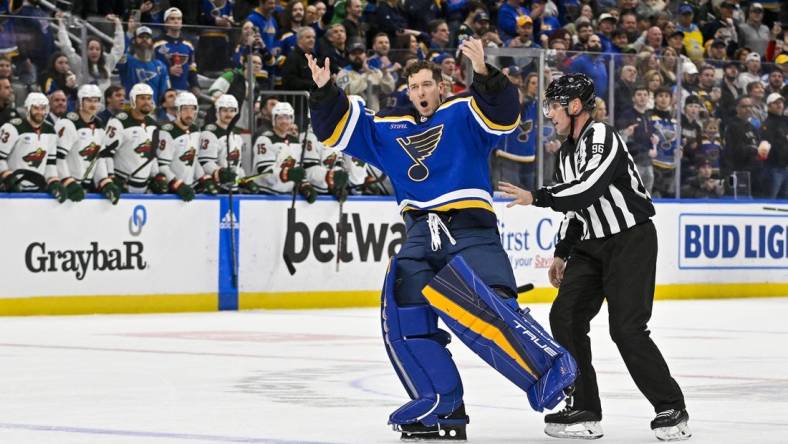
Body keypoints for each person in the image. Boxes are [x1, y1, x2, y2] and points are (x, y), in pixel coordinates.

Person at [306, 38, 576, 440]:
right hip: (419, 232)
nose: (421, 93)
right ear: (407, 91)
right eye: (414, 87)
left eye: (427, 85)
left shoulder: (463, 112)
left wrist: (484, 71)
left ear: (442, 85)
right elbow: (336, 131)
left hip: (470, 227)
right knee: (403, 312)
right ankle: (439, 402)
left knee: (489, 303)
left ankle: (554, 370)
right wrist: (324, 91)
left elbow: (504, 115)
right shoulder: (385, 129)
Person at [499, 73, 690, 441]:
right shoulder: (567, 150)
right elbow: (576, 210)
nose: (549, 113)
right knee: (565, 316)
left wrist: (536, 197)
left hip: (630, 240)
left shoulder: (601, 136)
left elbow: (588, 188)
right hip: (590, 246)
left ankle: (671, 407)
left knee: (626, 329)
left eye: (554, 106)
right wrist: (561, 253)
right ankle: (585, 407)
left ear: (574, 106)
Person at [0, 93, 65, 200]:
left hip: (39, 191)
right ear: (27, 108)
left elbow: (50, 162)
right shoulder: (11, 127)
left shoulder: (50, 130)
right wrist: (8, 177)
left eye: (43, 108)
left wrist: (54, 181)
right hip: (11, 191)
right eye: (36, 108)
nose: (40, 112)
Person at [102, 83, 160, 194]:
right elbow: (106, 153)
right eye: (142, 98)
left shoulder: (153, 125)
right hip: (122, 185)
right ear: (133, 100)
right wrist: (110, 177)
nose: (147, 102)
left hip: (145, 188)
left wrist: (156, 176)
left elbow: (152, 155)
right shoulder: (119, 121)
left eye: (149, 98)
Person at [199, 94, 258, 194]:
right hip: (214, 190)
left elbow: (237, 166)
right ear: (218, 111)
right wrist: (221, 173)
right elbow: (205, 162)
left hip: (233, 190)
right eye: (225, 110)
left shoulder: (237, 137)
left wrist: (246, 180)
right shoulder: (210, 132)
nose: (229, 114)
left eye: (232, 110)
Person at [152, 92, 200, 201]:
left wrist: (204, 178)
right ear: (178, 110)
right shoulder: (167, 131)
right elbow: (162, 165)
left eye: (192, 109)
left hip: (190, 189)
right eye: (185, 109)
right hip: (171, 192)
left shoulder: (196, 130)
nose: (189, 113)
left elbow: (194, 160)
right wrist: (178, 184)